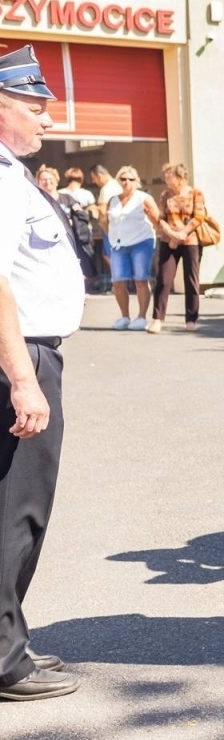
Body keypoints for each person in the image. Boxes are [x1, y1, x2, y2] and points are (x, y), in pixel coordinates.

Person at [0, 45, 88, 701]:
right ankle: (4, 659)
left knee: (16, 510)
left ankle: (10, 640)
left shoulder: (15, 175)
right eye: (35, 106)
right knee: (17, 512)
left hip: (26, 354)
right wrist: (24, 379)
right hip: (18, 357)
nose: (47, 119)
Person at [102, 166, 160, 330]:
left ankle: (141, 317)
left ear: (137, 181)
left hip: (141, 242)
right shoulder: (113, 200)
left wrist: (158, 236)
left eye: (131, 179)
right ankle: (124, 316)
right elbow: (105, 220)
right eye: (123, 179)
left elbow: (157, 219)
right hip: (119, 244)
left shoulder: (144, 198)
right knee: (118, 281)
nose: (127, 182)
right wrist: (111, 235)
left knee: (141, 279)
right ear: (118, 181)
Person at [152, 163, 207, 333]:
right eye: (166, 177)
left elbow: (199, 216)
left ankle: (191, 319)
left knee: (191, 280)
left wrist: (182, 234)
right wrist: (171, 234)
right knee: (163, 278)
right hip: (168, 240)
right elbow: (161, 218)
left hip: (190, 240)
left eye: (170, 176)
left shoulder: (195, 193)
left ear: (181, 177)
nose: (167, 180)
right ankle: (157, 319)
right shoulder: (165, 195)